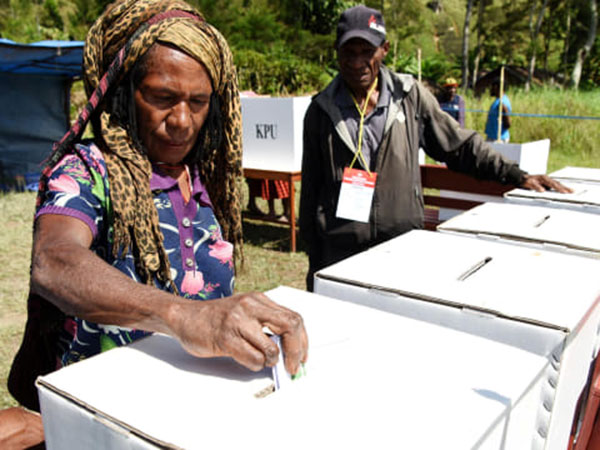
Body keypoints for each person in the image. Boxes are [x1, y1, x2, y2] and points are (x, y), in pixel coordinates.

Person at [8, 0, 308, 413]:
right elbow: (55, 260)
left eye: (198, 102)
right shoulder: (87, 171)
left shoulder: (206, 176)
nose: (182, 120)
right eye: (162, 97)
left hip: (191, 410)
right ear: (124, 94)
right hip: (104, 416)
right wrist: (182, 316)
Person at [299, 5, 569, 291]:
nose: (357, 62)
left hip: (401, 249)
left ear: (385, 49)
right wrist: (315, 264)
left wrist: (516, 175)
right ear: (336, 51)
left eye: (367, 51)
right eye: (348, 52)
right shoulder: (320, 110)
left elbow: (459, 145)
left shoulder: (409, 96)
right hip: (342, 254)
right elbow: (310, 192)